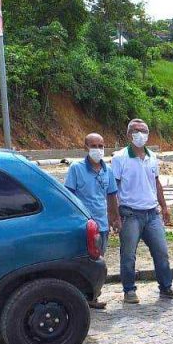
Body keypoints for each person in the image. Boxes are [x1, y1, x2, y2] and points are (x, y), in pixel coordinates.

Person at [111, 119, 173, 303]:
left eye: (143, 130)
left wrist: (164, 207)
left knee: (161, 252)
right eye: (136, 131)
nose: (140, 134)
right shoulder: (119, 158)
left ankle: (166, 287)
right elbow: (113, 189)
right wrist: (114, 215)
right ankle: (129, 290)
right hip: (130, 214)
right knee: (128, 255)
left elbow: (157, 183)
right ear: (129, 135)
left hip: (152, 213)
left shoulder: (152, 156)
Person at [64, 132, 118, 309]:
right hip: (84, 226)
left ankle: (93, 296)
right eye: (93, 146)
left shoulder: (107, 170)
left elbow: (111, 196)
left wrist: (114, 218)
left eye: (101, 146)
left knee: (98, 263)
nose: (98, 149)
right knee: (81, 262)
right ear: (85, 148)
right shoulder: (76, 169)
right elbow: (69, 196)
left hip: (101, 225)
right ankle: (79, 297)